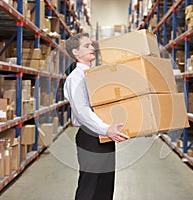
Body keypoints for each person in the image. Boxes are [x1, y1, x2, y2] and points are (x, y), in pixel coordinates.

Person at [63, 33, 129, 200]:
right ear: (75, 52)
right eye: (86, 46)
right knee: (89, 186)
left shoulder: (96, 75)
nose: (92, 48)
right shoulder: (76, 78)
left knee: (105, 186)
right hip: (90, 137)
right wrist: (106, 129)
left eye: (91, 45)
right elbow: (82, 111)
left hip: (105, 136)